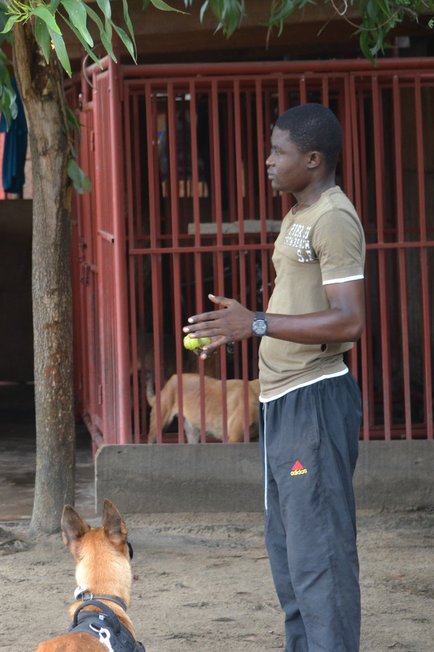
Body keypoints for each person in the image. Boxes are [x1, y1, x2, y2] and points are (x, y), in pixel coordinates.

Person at [183, 103, 366, 651]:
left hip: (314, 400)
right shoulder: (298, 214)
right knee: (289, 553)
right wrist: (241, 328)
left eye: (278, 151)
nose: (268, 160)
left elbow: (351, 318)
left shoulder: (333, 217)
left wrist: (256, 322)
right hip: (282, 403)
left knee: (319, 558)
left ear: (312, 160)